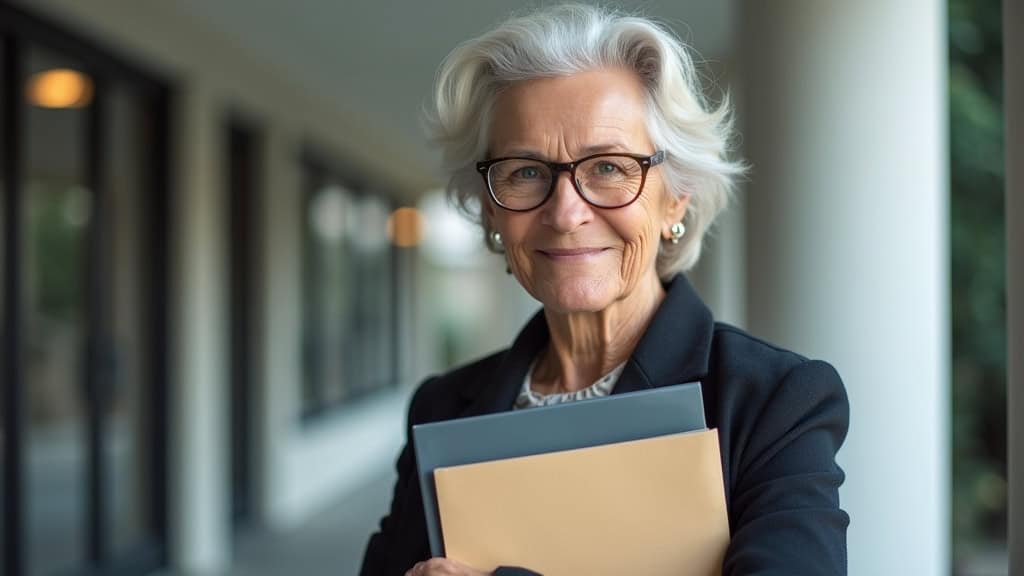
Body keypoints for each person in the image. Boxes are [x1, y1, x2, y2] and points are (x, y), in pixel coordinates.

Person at [361, 5, 849, 575]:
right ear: (491, 208)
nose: (566, 213)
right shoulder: (442, 407)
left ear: (677, 197)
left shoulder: (773, 400)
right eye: (524, 171)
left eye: (610, 168)